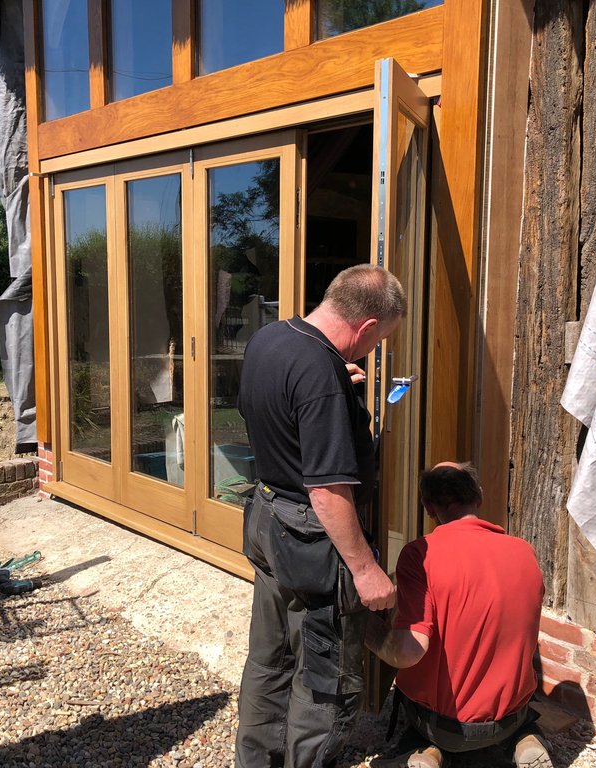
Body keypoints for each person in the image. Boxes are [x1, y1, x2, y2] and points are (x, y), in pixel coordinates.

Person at [235, 263, 405, 768]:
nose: (370, 354)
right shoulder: (320, 375)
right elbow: (329, 491)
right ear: (367, 327)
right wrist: (366, 568)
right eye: (376, 343)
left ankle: (257, 760)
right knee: (324, 678)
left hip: (267, 517)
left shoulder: (271, 339)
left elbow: (275, 410)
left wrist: (336, 383)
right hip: (312, 541)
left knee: (269, 659)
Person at [365, 462, 553, 768]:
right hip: (509, 718)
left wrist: (372, 633)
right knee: (525, 718)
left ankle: (429, 753)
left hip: (445, 726)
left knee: (422, 730)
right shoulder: (523, 551)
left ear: (428, 507)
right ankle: (525, 742)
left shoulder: (420, 554)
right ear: (478, 496)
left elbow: (410, 651)